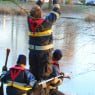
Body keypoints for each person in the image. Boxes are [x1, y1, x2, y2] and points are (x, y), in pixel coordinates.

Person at [27, 0, 61, 81]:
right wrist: (55, 1)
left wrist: (40, 2)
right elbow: (57, 11)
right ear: (41, 14)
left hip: (32, 54)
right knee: (44, 76)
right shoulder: (46, 23)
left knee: (34, 75)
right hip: (44, 56)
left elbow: (33, 10)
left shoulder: (29, 21)